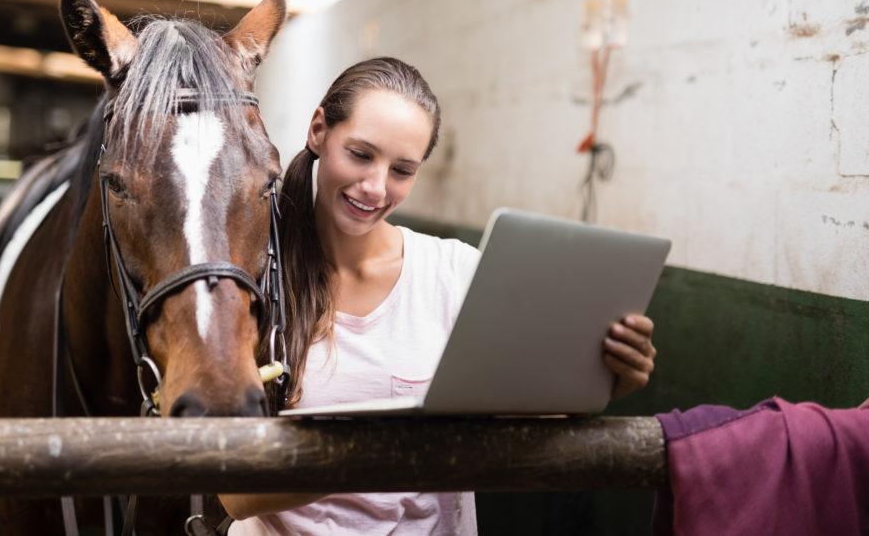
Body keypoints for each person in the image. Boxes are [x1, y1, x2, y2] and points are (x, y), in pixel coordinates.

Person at [221, 57, 657, 535]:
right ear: (319, 129)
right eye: (361, 154)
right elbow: (239, 495)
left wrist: (606, 379)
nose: (375, 187)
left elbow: (536, 407)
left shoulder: (453, 273)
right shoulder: (252, 276)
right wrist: (408, 450)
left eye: (402, 170)